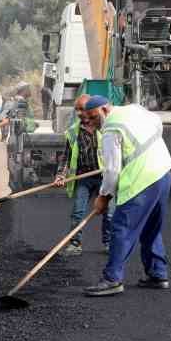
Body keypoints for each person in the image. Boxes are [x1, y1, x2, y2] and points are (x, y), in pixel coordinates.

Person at [80, 96, 171, 296]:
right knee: (151, 227)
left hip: (141, 180)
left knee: (121, 228)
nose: (92, 122)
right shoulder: (134, 110)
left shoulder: (110, 129)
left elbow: (112, 171)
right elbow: (157, 123)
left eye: (94, 117)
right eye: (88, 119)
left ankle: (112, 279)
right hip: (163, 171)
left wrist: (104, 197)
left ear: (105, 110)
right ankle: (158, 273)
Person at [53, 93, 112, 255]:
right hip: (83, 178)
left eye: (82, 108)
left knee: (109, 212)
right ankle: (75, 244)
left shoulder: (106, 127)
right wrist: (61, 175)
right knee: (78, 212)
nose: (79, 112)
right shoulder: (73, 132)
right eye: (77, 109)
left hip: (104, 177)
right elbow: (66, 156)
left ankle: (109, 244)